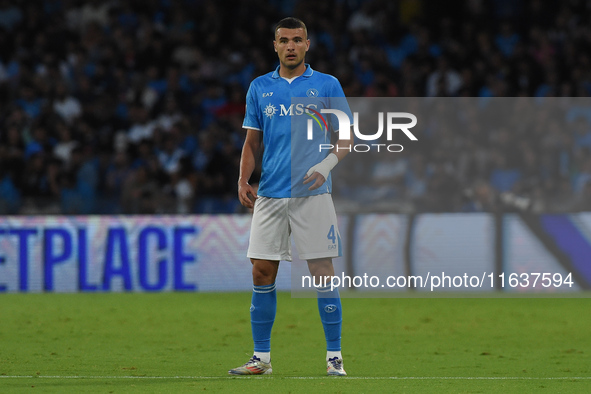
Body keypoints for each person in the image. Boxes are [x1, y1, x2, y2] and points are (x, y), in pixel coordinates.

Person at [228, 17, 351, 376]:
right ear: (275, 45)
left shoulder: (327, 85)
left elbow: (347, 138)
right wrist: (242, 179)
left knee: (322, 273)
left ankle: (334, 360)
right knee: (262, 272)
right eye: (285, 40)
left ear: (307, 45)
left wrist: (325, 165)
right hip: (269, 194)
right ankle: (261, 360)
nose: (292, 46)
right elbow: (252, 142)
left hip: (312, 195)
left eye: (298, 39)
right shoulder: (259, 88)